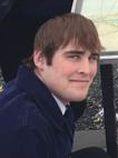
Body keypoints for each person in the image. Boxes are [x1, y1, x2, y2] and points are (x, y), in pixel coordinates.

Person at [0, 13, 110, 158]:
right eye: (74, 56)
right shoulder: (25, 128)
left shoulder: (45, 92)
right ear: (40, 59)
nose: (86, 70)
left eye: (92, 58)